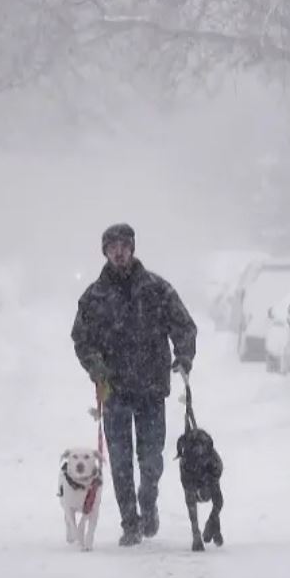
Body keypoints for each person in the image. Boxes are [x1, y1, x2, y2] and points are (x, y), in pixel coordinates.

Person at [71, 223, 197, 546]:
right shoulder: (94, 297)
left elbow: (183, 326)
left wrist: (183, 358)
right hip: (114, 390)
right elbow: (81, 338)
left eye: (124, 246)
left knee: (151, 457)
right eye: (112, 247)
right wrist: (95, 366)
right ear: (105, 252)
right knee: (121, 460)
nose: (119, 252)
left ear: (133, 248)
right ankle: (130, 522)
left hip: (152, 388)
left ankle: (148, 500)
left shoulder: (157, 290)